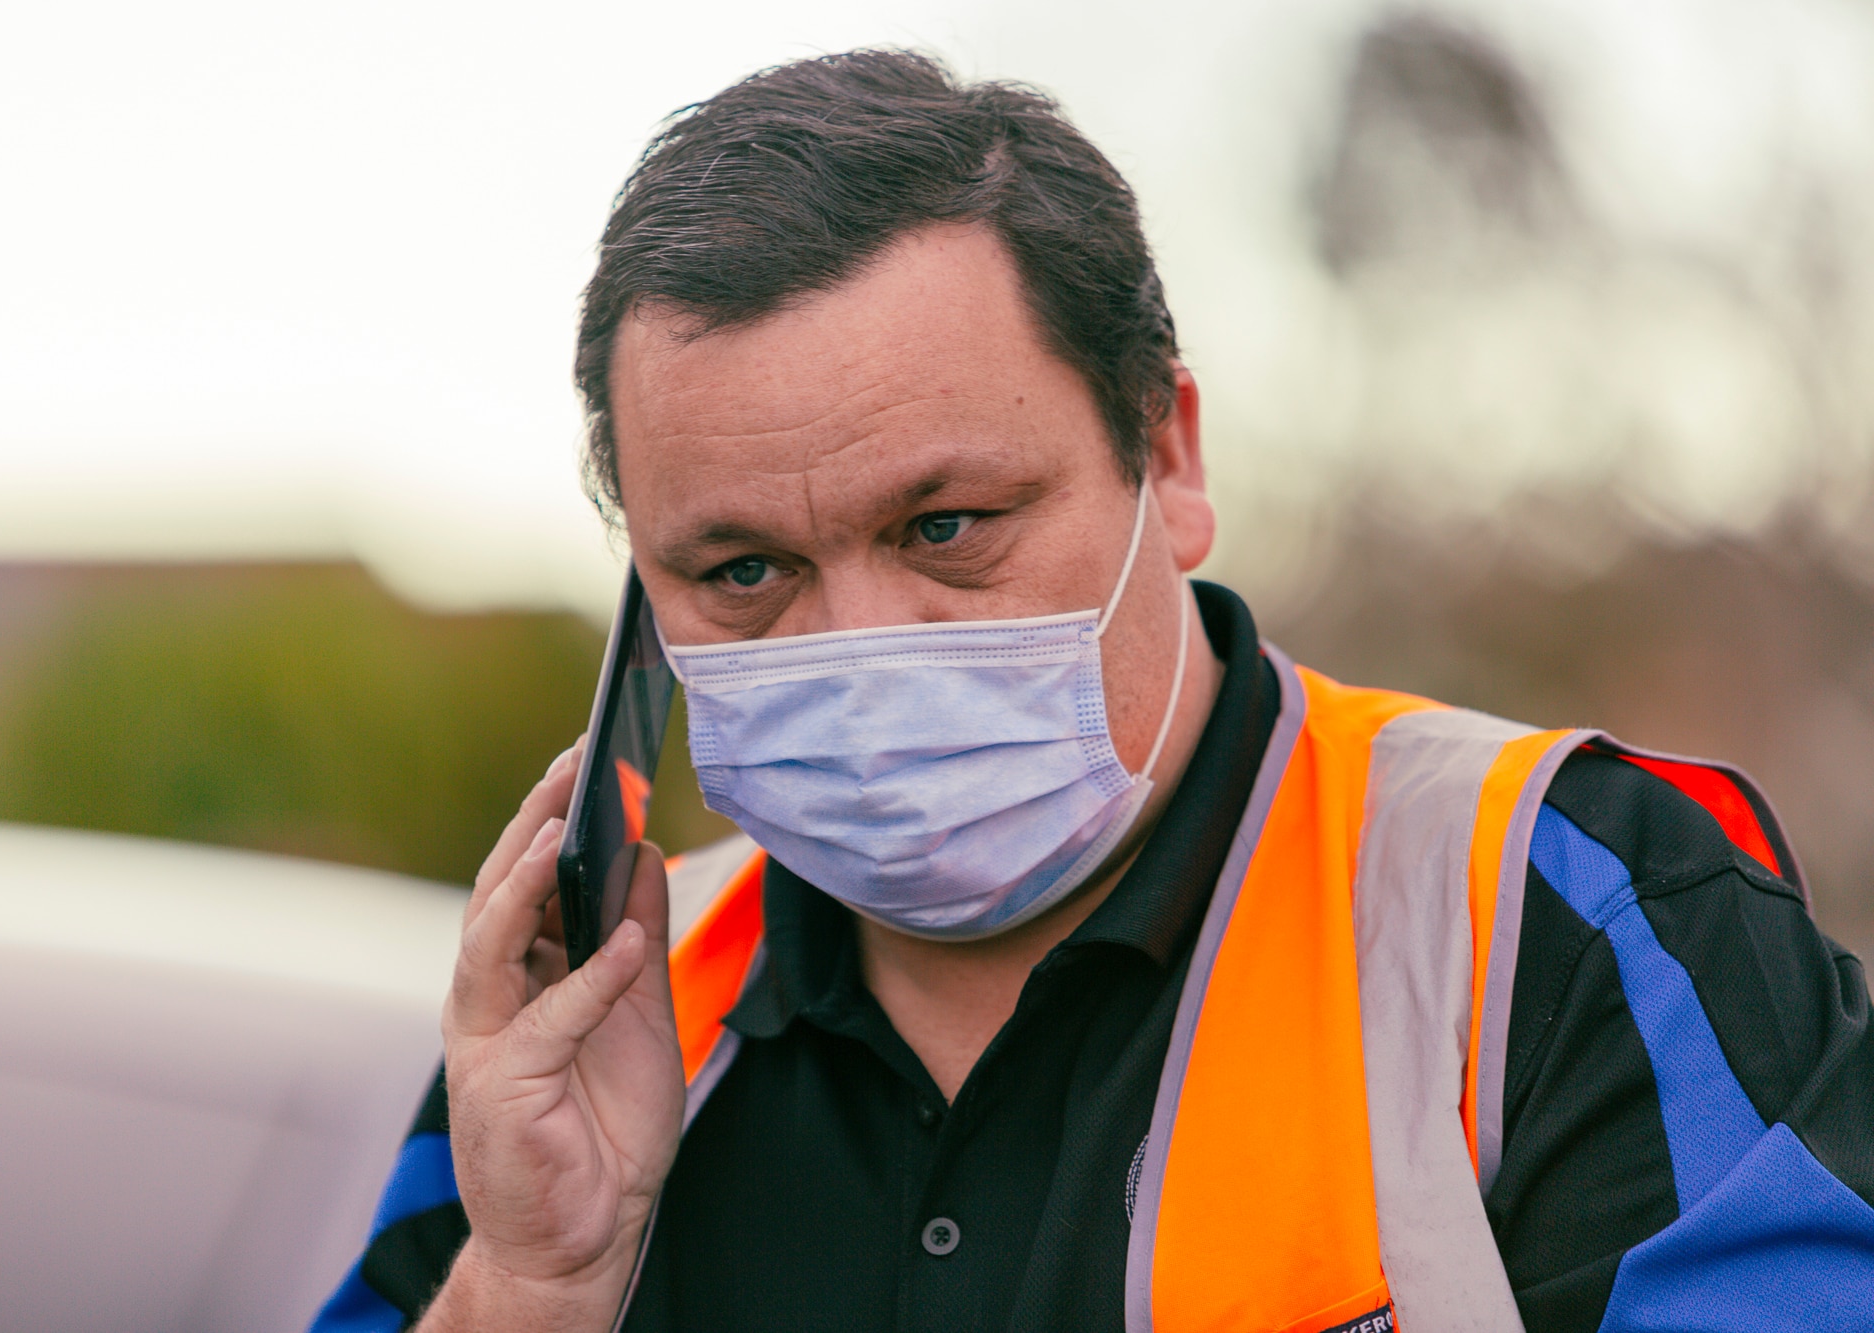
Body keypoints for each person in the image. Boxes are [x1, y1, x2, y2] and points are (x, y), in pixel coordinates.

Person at [312, 50, 1874, 1333]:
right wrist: (533, 1284)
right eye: (742, 570)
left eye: (947, 526)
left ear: (1168, 458)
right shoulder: (587, 1027)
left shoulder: (1569, 909)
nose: (860, 646)